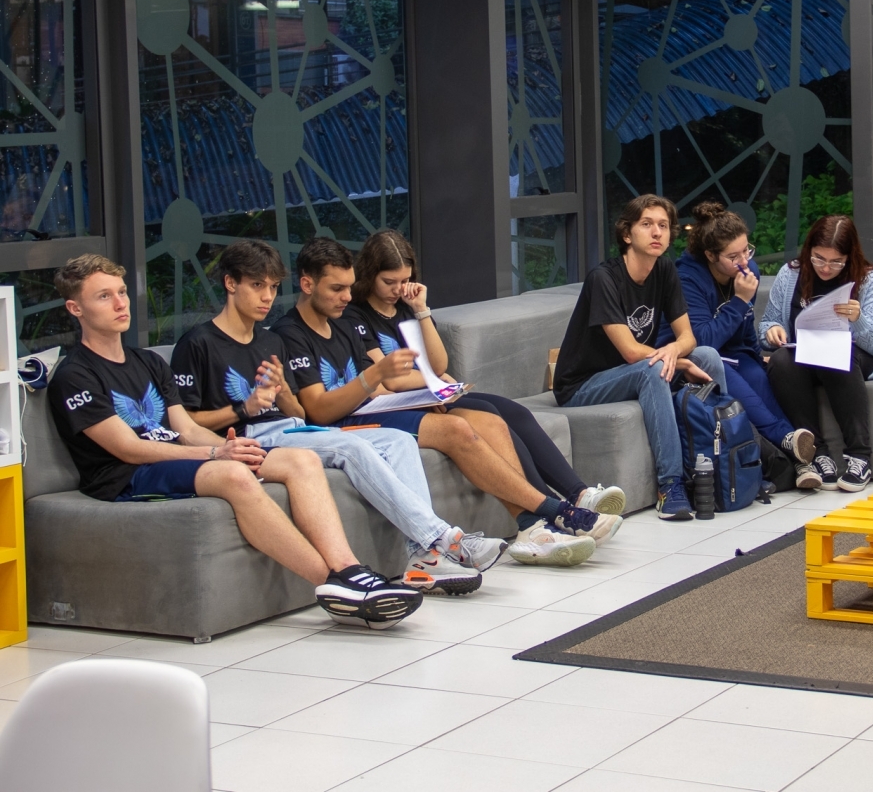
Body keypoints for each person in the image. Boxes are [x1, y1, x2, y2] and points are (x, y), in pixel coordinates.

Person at [46, 254, 423, 629]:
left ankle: (350, 569)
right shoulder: (75, 375)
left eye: (122, 292)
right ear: (75, 308)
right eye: (104, 296)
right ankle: (332, 585)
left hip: (178, 457)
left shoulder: (148, 362)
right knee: (234, 475)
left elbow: (185, 428)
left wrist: (225, 448)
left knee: (301, 460)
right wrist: (215, 453)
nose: (120, 303)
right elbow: (127, 448)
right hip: (127, 476)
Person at [171, 239, 504, 596]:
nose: (267, 297)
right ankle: (442, 538)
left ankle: (423, 557)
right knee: (351, 447)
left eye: (272, 287)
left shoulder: (269, 342)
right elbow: (184, 424)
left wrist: (281, 393)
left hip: (293, 429)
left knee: (398, 441)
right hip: (250, 437)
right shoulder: (198, 343)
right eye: (257, 285)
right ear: (230, 283)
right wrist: (243, 409)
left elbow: (298, 414)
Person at [273, 238, 611, 566]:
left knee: (491, 420)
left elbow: (391, 385)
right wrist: (379, 379)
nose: (346, 297)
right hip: (343, 424)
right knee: (457, 429)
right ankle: (554, 511)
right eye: (337, 289)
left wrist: (412, 391)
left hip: (373, 408)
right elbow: (319, 411)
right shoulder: (293, 332)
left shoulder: (342, 324)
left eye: (348, 288)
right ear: (307, 284)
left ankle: (533, 526)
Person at [343, 228, 627, 518]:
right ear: (370, 275)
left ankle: (579, 493)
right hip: (413, 399)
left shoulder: (406, 306)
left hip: (432, 392)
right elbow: (390, 378)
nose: (398, 289)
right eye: (389, 282)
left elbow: (439, 363)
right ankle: (550, 503)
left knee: (515, 412)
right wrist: (433, 381)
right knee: (490, 414)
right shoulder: (356, 316)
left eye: (405, 281)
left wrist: (421, 310)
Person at [552, 193, 726, 522]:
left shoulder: (664, 270)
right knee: (652, 368)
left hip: (631, 371)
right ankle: (670, 486)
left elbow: (688, 338)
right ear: (627, 234)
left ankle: (718, 466)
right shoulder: (604, 279)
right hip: (582, 386)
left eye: (663, 225)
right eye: (647, 224)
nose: (657, 232)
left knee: (707, 356)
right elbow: (631, 352)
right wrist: (676, 360)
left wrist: (675, 351)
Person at [656, 202, 817, 479]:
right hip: (693, 359)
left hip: (733, 352)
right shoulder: (686, 279)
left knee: (759, 379)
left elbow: (744, 327)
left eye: (747, 250)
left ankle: (801, 461)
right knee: (745, 392)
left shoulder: (747, 271)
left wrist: (756, 356)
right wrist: (740, 300)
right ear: (710, 255)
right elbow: (701, 340)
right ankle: (788, 441)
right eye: (733, 256)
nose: (744, 261)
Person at [759, 215, 873, 492]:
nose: (825, 268)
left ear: (849, 257)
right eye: (818, 259)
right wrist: (772, 330)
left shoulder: (869, 280)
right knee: (781, 360)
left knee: (835, 352)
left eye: (836, 262)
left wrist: (858, 319)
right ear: (809, 250)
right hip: (803, 355)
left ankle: (859, 456)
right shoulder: (791, 274)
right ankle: (817, 454)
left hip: (854, 356)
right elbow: (767, 323)